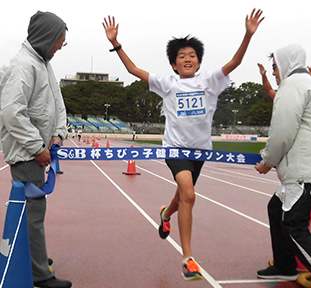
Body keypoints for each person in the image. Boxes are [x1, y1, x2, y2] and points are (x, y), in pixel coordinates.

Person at [103, 9, 264, 280]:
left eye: (192, 55)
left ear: (198, 62)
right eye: (181, 56)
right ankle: (187, 258)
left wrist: (247, 35)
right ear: (174, 65)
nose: (187, 59)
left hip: (199, 151)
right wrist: (115, 43)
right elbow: (133, 70)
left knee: (181, 197)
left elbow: (235, 62)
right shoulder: (168, 84)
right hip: (175, 149)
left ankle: (166, 213)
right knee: (189, 195)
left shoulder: (211, 81)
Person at [254, 44, 311, 288]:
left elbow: (283, 131)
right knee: (276, 208)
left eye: (275, 68)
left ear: (285, 65)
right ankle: (285, 266)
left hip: (305, 171)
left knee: (294, 226)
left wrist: (267, 161)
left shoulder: (292, 86)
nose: (275, 73)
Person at [0, 11, 72, 288]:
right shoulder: (24, 66)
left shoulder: (41, 63)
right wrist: (38, 147)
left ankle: (35, 260)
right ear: (46, 37)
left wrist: (58, 133)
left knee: (32, 211)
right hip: (27, 153)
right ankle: (40, 275)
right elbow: (11, 113)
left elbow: (56, 100)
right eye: (58, 42)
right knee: (33, 212)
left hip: (37, 150)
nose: (58, 48)